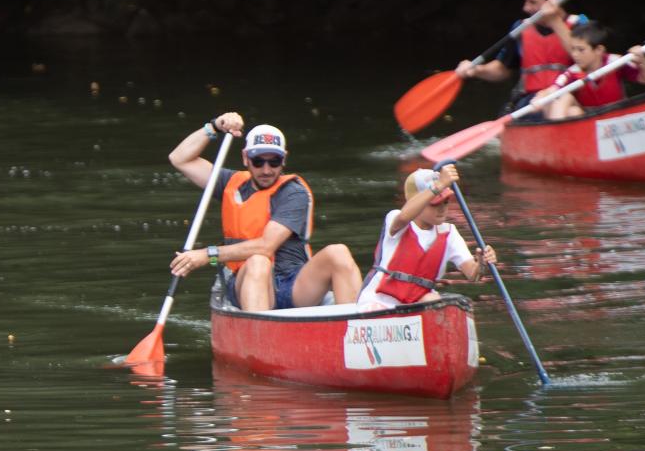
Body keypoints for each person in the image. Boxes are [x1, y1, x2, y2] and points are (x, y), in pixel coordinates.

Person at [167, 115, 362, 311]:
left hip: (293, 284)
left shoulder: (294, 193)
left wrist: (208, 255)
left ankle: (356, 331)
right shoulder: (229, 182)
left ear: (283, 160)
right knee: (258, 263)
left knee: (339, 253)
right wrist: (215, 126)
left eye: (274, 161)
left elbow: (266, 246)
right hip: (247, 282)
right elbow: (180, 158)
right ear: (246, 158)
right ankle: (260, 335)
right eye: (258, 161)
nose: (266, 170)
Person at [355, 164, 498, 310]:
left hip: (416, 303)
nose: (442, 209)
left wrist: (482, 263)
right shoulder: (395, 219)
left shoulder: (449, 233)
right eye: (435, 203)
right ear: (417, 202)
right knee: (377, 310)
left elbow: (473, 275)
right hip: (379, 301)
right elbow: (404, 216)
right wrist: (440, 185)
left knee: (433, 299)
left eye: (445, 202)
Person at [454, 0, 578, 109]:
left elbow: (583, 59)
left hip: (566, 100)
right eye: (526, 0)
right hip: (529, 104)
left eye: (532, 2)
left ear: (552, 2)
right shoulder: (521, 28)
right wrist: (477, 70)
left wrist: (555, 21)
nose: (525, 8)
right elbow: (502, 69)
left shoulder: (580, 26)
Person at [537, 22, 645, 117]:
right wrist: (539, 98)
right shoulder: (573, 72)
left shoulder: (615, 62)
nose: (575, 55)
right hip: (589, 122)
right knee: (567, 100)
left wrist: (642, 60)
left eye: (581, 50)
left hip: (617, 117)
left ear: (599, 50)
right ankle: (558, 138)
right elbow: (554, 89)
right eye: (573, 49)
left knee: (567, 101)